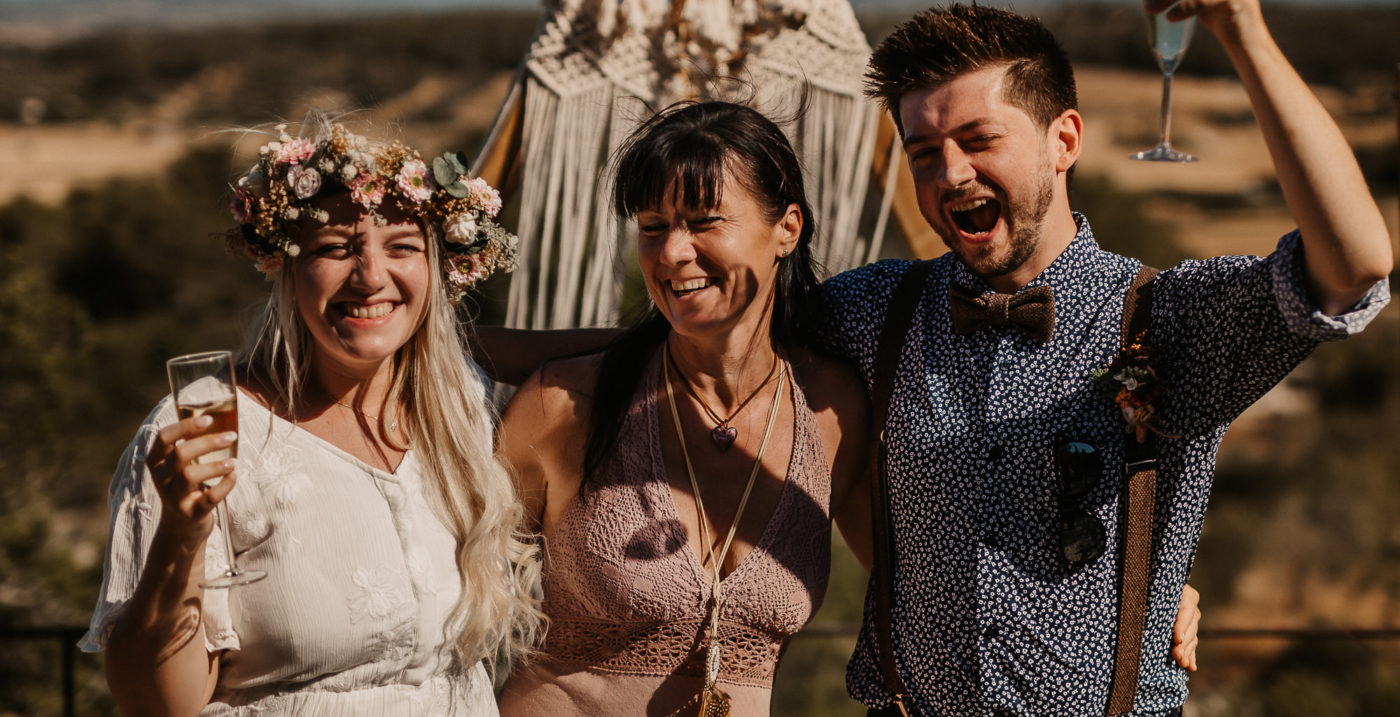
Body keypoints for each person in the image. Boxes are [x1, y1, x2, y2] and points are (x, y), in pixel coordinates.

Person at [820, 0, 1392, 715]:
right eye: (924, 151)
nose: (950, 172)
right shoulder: (876, 309)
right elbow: (715, 336)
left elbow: (1354, 264)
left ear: (1065, 140)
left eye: (979, 138)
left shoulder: (1165, 320)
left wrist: (1243, 31)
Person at [481, 100, 1203, 716]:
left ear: (786, 229)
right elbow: (438, 575)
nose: (672, 253)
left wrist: (1134, 592)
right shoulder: (562, 406)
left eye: (705, 220)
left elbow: (930, 571)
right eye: (651, 227)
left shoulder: (832, 409)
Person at [82, 119, 543, 715]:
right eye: (334, 248)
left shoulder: (458, 408)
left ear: (436, 268)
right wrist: (180, 536)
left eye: (401, 246)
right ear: (285, 268)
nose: (371, 276)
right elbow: (160, 704)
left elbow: (587, 356)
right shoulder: (208, 433)